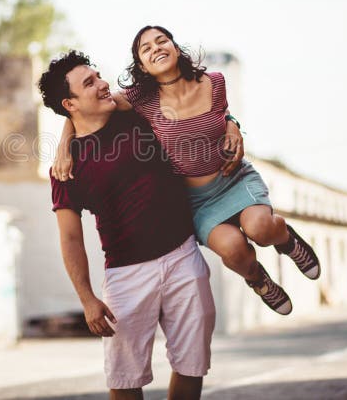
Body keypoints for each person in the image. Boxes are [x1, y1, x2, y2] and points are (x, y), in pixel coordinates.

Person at [53, 25, 321, 315]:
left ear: (175, 47)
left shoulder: (215, 82)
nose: (156, 48)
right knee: (234, 250)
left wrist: (234, 125)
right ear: (141, 66)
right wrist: (63, 144)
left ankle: (287, 240)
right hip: (197, 201)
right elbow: (84, 109)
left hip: (232, 179)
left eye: (162, 41)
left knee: (261, 228)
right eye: (146, 48)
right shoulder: (141, 99)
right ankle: (258, 280)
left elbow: (224, 116)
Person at [38, 50, 216, 400]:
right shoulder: (66, 168)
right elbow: (71, 239)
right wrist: (87, 299)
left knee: (192, 366)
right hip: (125, 275)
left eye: (98, 75)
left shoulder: (139, 115)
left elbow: (180, 89)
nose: (103, 83)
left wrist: (65, 131)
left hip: (183, 256)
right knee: (123, 380)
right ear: (69, 103)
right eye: (89, 83)